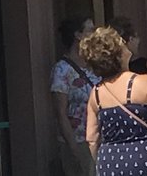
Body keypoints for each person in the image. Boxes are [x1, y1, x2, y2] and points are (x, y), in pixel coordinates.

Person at [81, 24, 147, 176]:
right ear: (118, 54)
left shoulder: (96, 94)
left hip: (110, 162)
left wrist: (104, 162)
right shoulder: (144, 83)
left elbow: (91, 139)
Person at [51, 14, 99, 176]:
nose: (94, 34)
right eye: (90, 30)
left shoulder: (95, 64)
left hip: (101, 139)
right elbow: (60, 112)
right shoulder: (62, 70)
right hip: (79, 141)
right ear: (78, 35)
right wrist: (74, 149)